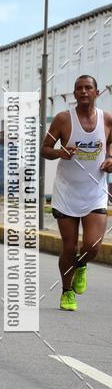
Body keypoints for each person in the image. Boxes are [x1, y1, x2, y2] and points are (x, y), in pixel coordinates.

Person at [41, 74, 112, 311]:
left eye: (88, 88)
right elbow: (45, 149)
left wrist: (110, 158)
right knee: (69, 248)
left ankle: (82, 265)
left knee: (93, 246)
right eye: (79, 88)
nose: (83, 91)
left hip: (95, 190)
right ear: (74, 94)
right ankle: (66, 291)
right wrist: (59, 153)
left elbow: (110, 144)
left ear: (96, 92)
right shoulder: (63, 120)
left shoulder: (107, 119)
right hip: (67, 191)